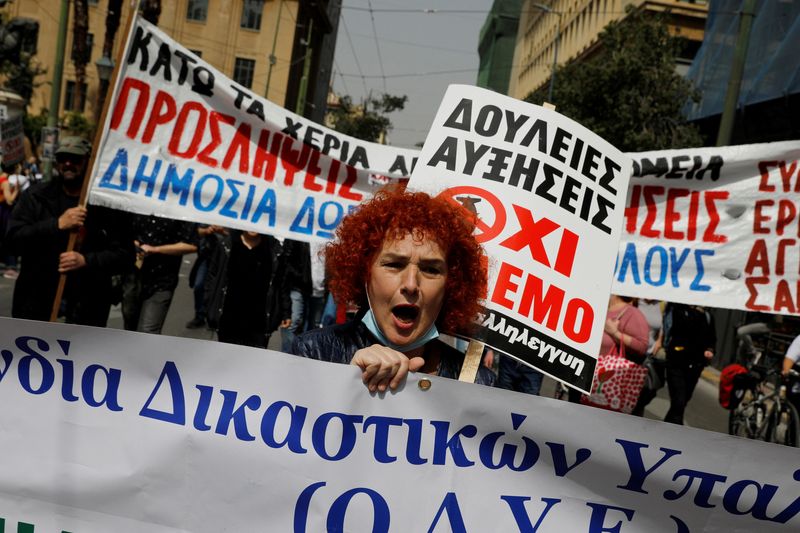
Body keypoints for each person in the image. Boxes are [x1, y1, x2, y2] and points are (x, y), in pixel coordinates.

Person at [291, 185, 495, 391]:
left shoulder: (477, 382)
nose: (411, 285)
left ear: (451, 285)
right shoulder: (315, 353)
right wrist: (346, 385)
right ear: (364, 273)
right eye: (394, 265)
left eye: (431, 269)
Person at [5, 136, 134, 325]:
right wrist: (56, 224)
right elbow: (12, 241)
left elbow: (125, 255)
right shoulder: (36, 197)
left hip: (86, 306)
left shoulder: (107, 205)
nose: (67, 164)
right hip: (36, 300)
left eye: (75, 159)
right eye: (62, 159)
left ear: (89, 162)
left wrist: (86, 261)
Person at [204, 229, 290, 348]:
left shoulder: (274, 250)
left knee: (252, 364)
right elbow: (212, 277)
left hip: (258, 322)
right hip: (229, 319)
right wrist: (209, 305)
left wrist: (286, 312)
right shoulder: (227, 245)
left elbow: (281, 284)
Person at [122, 214, 198, 334]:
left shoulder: (181, 211)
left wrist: (156, 249)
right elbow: (122, 231)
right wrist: (134, 243)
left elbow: (191, 245)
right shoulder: (138, 204)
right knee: (130, 328)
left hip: (162, 281)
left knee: (148, 331)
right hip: (133, 277)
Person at [572, 294, 648, 404]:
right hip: (580, 375)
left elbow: (642, 346)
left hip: (605, 380)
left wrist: (615, 333)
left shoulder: (631, 313)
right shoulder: (597, 306)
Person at [662, 303, 716, 425]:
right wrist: (695, 311)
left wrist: (710, 350)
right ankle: (674, 433)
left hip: (696, 365)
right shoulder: (677, 309)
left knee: (682, 402)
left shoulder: (707, 316)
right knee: (679, 401)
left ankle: (664, 428)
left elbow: (712, 339)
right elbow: (679, 328)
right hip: (676, 362)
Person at [185, 224, 226, 329]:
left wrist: (222, 231)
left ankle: (215, 316)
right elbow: (194, 232)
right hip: (206, 255)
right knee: (199, 285)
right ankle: (200, 315)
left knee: (218, 287)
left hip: (224, 257)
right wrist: (207, 231)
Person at [632, 299, 665, 416]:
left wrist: (660, 340)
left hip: (648, 357)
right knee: (628, 395)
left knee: (647, 392)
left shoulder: (662, 304)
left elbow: (665, 325)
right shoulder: (634, 300)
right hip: (631, 354)